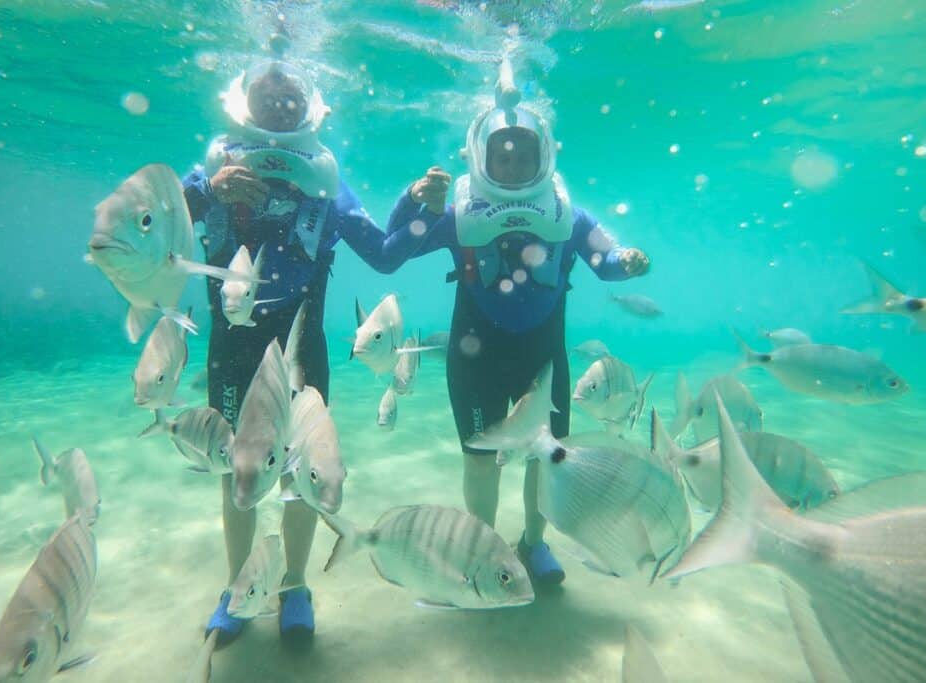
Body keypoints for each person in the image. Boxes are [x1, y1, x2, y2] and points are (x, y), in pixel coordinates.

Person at [182, 60, 418, 646]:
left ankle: (292, 586)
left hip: (302, 342)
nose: (281, 108)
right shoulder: (213, 169)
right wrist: (208, 191)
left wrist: (415, 205)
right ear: (245, 103)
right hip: (231, 344)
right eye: (269, 96)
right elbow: (158, 226)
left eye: (292, 99)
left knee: (301, 471)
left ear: (310, 106)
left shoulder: (326, 183)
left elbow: (385, 256)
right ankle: (239, 587)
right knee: (237, 467)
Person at [383, 84, 650, 587]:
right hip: (476, 352)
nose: (512, 166)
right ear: (480, 158)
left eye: (524, 156)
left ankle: (534, 542)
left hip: (540, 355)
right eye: (501, 156)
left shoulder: (567, 215)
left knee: (545, 457)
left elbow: (605, 260)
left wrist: (629, 262)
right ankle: (484, 550)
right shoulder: (457, 212)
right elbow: (389, 253)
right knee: (481, 459)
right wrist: (414, 200)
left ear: (544, 157)